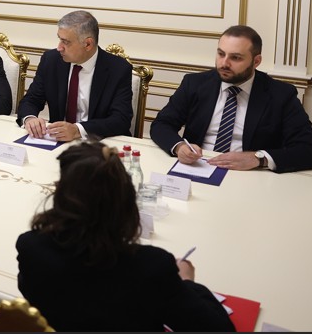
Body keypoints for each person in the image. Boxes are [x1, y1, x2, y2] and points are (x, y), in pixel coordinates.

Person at [16, 141, 235, 332]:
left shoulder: (31, 247)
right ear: (126, 201)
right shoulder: (152, 268)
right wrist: (186, 282)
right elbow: (218, 328)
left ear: (60, 195)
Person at [150, 25, 312, 173]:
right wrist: (179, 146)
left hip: (249, 175)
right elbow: (161, 124)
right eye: (221, 54)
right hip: (198, 167)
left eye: (235, 58)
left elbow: (310, 151)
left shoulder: (280, 94)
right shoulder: (195, 84)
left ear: (256, 61)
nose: (224, 63)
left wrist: (258, 158)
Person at [17, 10, 133, 141]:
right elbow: (31, 100)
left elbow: (120, 119)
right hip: (58, 142)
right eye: (59, 39)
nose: (59, 47)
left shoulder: (118, 69)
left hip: (98, 142)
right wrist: (30, 118)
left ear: (88, 44)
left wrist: (78, 130)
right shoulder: (51, 60)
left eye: (66, 42)